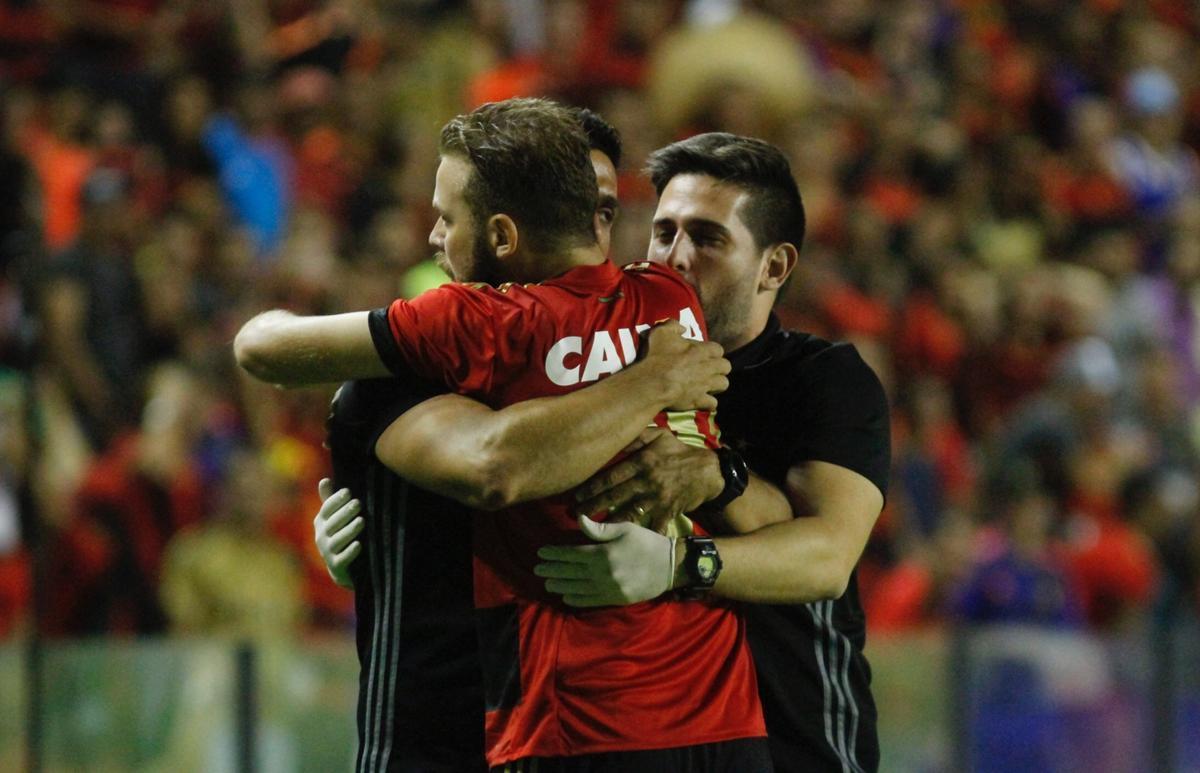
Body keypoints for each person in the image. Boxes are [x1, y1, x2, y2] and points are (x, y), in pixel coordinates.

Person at [317, 131, 892, 772]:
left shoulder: (820, 381)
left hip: (799, 737)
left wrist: (685, 556)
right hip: (613, 734)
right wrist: (387, 544)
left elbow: (827, 556)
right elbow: (516, 500)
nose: (676, 258)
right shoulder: (591, 366)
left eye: (707, 239)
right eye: (664, 232)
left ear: (774, 267)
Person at [235, 99, 774, 771]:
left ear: (502, 233)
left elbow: (261, 348)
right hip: (720, 709)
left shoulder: (480, 323)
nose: (434, 235)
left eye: (447, 217)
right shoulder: (672, 302)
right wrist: (384, 539)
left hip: (579, 724)